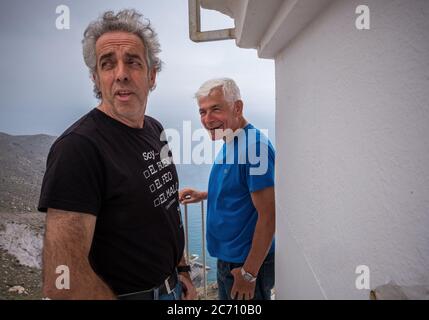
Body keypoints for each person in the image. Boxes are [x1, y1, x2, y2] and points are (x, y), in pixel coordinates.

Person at [38, 9, 196, 300]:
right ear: (96, 79)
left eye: (133, 62)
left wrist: (182, 269)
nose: (121, 74)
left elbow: (167, 209)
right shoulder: (78, 148)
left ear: (151, 75)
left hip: (172, 288)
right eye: (108, 65)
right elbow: (63, 280)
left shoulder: (154, 128)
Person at [179, 78, 275, 300]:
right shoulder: (232, 139)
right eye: (202, 112)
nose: (207, 119)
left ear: (237, 108)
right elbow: (242, 189)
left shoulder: (255, 148)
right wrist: (204, 195)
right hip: (229, 261)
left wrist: (248, 274)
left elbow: (269, 216)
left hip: (245, 265)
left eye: (215, 109)